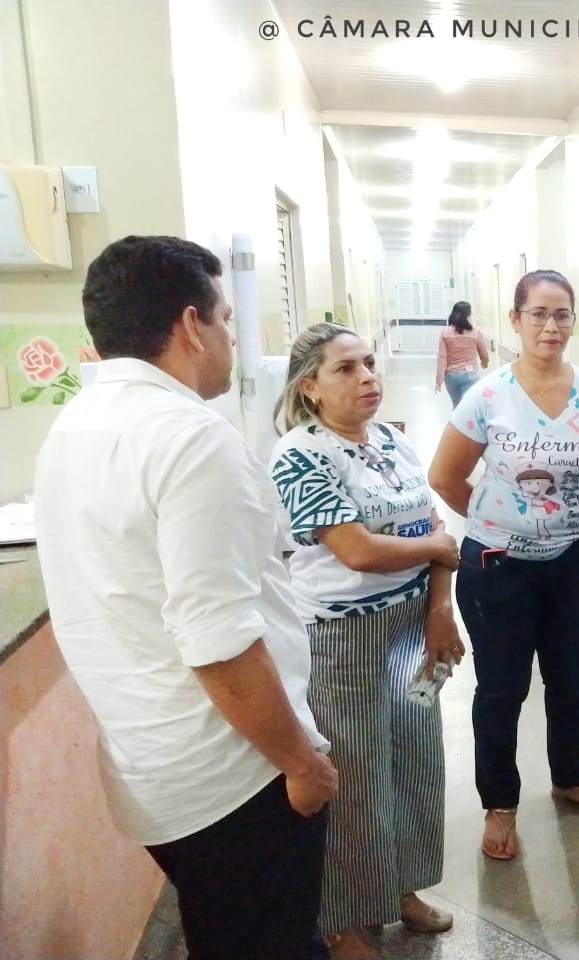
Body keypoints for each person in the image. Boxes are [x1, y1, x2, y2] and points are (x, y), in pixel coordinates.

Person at [33, 235, 337, 960]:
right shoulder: (191, 439)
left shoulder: (72, 427)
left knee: (226, 933)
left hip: (154, 770)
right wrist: (301, 762)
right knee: (274, 942)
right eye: (225, 318)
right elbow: (218, 640)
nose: (232, 337)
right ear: (191, 325)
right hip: (234, 777)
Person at [269, 322, 463, 960]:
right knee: (353, 777)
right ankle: (347, 919)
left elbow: (435, 524)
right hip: (343, 638)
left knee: (414, 758)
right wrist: (436, 548)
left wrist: (439, 611)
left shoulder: (393, 440)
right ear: (312, 388)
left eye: (370, 364)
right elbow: (357, 551)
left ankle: (399, 888)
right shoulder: (298, 455)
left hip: (413, 626)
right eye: (346, 369)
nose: (368, 378)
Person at [428, 268, 579, 860]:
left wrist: (557, 512)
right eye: (537, 313)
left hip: (576, 562)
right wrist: (499, 518)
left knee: (571, 679)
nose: (550, 325)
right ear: (514, 320)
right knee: (502, 689)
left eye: (562, 313)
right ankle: (500, 802)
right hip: (499, 567)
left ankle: (569, 777)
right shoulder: (488, 396)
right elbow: (444, 476)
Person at [435, 300, 490, 406]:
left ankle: (457, 422)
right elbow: (484, 353)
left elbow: (442, 358)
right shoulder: (475, 332)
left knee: (457, 405)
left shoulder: (445, 332)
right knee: (470, 407)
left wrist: (438, 381)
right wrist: (485, 363)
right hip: (470, 374)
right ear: (468, 315)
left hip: (451, 376)